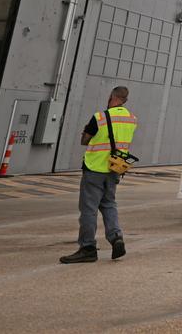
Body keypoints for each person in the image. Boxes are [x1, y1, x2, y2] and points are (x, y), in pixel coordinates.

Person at [60, 86, 137, 264]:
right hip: (115, 169)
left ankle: (87, 248)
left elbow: (84, 140)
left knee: (89, 209)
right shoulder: (132, 119)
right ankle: (116, 237)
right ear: (125, 100)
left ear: (112, 97)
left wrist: (87, 135)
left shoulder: (100, 117)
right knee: (109, 204)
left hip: (95, 168)